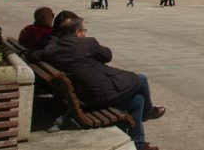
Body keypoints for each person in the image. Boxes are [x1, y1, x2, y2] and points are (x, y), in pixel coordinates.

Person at [29, 15, 164, 150]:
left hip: (80, 97)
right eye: (83, 30)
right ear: (77, 32)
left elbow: (33, 54)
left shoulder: (51, 49)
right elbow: (107, 55)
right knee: (141, 79)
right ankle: (147, 113)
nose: (84, 33)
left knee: (138, 100)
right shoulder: (86, 43)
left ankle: (139, 143)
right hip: (97, 98)